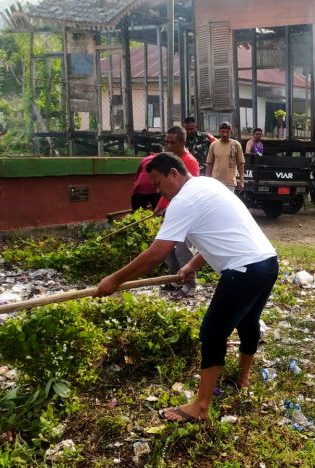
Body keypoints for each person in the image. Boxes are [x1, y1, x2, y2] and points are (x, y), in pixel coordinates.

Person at [95, 152, 278, 423]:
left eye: (158, 184)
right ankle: (243, 381)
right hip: (267, 262)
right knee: (248, 320)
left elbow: (157, 253)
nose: (159, 191)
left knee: (212, 332)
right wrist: (192, 264)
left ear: (173, 174)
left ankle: (201, 406)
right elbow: (221, 232)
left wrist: (114, 280)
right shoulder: (208, 184)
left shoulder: (183, 201)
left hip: (243, 270)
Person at [153, 126, 201, 297]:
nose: (168, 146)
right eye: (166, 142)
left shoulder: (189, 162)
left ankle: (190, 284)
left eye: (173, 142)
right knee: (169, 250)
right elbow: (166, 189)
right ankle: (175, 279)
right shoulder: (170, 162)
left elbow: (185, 191)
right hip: (174, 211)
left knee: (182, 249)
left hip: (187, 214)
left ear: (183, 142)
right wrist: (159, 207)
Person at [206, 122, 245, 192]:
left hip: (230, 183)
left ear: (231, 132)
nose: (225, 134)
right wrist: (207, 180)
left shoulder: (236, 144)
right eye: (222, 132)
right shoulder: (213, 145)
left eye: (227, 132)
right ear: (219, 132)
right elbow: (209, 163)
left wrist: (242, 181)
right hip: (215, 182)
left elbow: (241, 164)